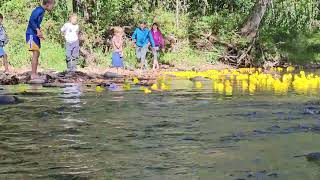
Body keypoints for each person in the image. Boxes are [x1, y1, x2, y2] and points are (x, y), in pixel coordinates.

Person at [26, 0, 55, 83]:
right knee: (35, 53)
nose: (53, 7)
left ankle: (34, 73)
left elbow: (36, 23)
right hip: (30, 34)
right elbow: (31, 20)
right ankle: (33, 74)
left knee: (37, 53)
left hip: (34, 34)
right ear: (48, 4)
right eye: (52, 5)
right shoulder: (39, 10)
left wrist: (39, 33)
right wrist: (37, 30)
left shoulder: (42, 11)